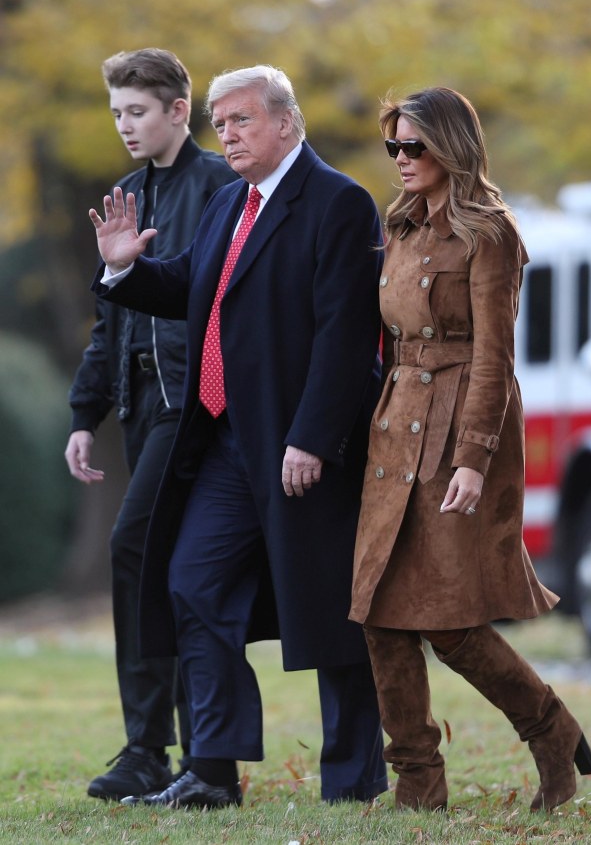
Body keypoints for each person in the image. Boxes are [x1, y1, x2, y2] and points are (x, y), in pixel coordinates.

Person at [87, 64, 387, 809]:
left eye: (242, 121)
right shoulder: (229, 202)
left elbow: (346, 334)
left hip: (302, 447)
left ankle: (351, 778)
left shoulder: (339, 202)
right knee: (193, 585)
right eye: (220, 124)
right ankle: (213, 771)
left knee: (330, 614)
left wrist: (313, 437)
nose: (227, 135)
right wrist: (126, 271)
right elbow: (191, 286)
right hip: (222, 443)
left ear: (287, 122)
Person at [349, 86, 591, 813]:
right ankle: (418, 786)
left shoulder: (490, 233)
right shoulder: (398, 227)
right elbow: (391, 340)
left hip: (459, 427)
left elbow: (496, 358)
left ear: (452, 147)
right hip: (396, 426)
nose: (400, 159)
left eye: (414, 146)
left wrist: (473, 456)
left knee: (448, 619)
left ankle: (551, 729)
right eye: (393, 145)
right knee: (379, 611)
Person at [65, 48, 236, 801]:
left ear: (176, 110)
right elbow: (109, 325)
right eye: (115, 114)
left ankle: (156, 748)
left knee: (135, 546)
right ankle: (178, 752)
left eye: (136, 111)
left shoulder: (224, 189)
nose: (124, 126)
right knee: (161, 566)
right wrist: (84, 413)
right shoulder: (125, 197)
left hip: (196, 411)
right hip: (139, 410)